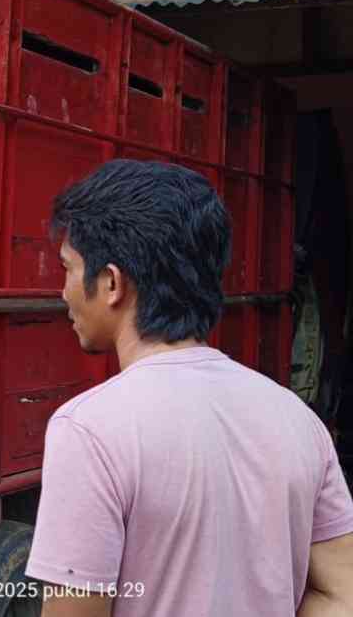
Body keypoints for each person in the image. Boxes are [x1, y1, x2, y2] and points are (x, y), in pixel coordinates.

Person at [24, 159, 353, 617]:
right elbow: (342, 594)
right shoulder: (297, 419)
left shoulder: (89, 430)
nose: (63, 292)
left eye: (68, 269)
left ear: (112, 282)